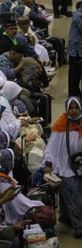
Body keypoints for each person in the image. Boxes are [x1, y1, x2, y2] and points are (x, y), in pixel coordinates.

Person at [44, 96, 82, 237]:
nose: (73, 111)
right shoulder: (61, 125)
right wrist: (49, 163)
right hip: (66, 166)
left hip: (80, 165)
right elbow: (52, 146)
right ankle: (78, 224)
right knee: (73, 193)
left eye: (76, 107)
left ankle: (66, 218)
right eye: (71, 108)